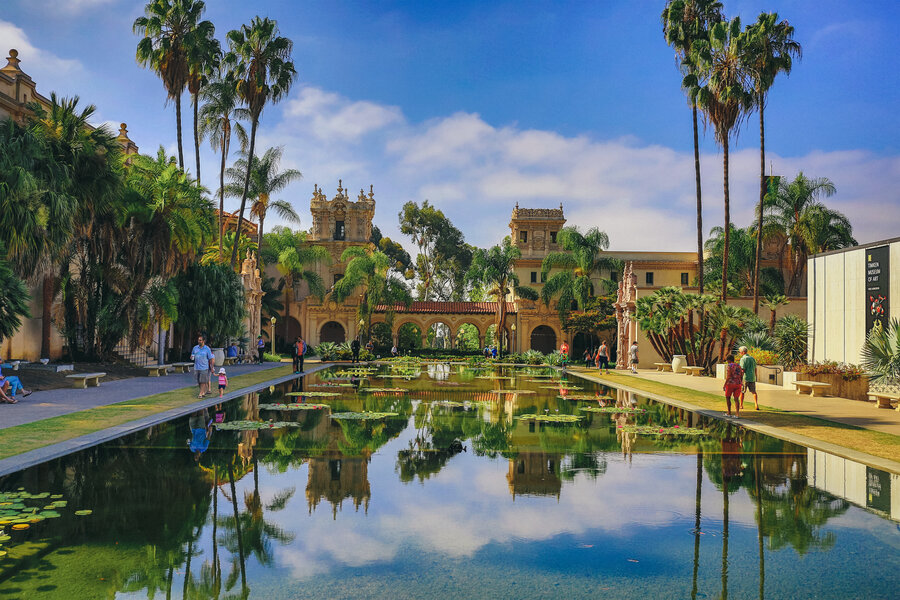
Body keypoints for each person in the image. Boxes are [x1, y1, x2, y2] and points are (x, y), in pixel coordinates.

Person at [190, 334, 215, 399]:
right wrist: (192, 357)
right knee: (198, 381)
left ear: (203, 341)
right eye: (198, 340)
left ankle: (200, 393)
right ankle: (203, 391)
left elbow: (211, 358)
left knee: (203, 381)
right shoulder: (195, 348)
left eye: (200, 340)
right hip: (196, 367)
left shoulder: (207, 349)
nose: (199, 341)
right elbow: (192, 355)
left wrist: (212, 368)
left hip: (204, 368)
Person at [738, 346, 759, 411]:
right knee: (754, 392)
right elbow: (755, 368)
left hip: (745, 377)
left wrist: (740, 377)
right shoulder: (752, 358)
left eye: (740, 352)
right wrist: (755, 376)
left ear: (743, 352)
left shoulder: (743, 359)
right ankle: (756, 404)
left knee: (742, 392)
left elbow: (742, 369)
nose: (740, 353)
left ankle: (741, 405)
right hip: (752, 377)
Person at [723, 354, 744, 418]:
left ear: (729, 360)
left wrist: (724, 384)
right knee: (736, 399)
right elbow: (741, 374)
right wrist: (741, 382)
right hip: (738, 383)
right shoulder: (738, 365)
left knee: (728, 397)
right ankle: (737, 414)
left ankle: (729, 412)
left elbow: (728, 376)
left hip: (730, 384)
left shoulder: (729, 366)